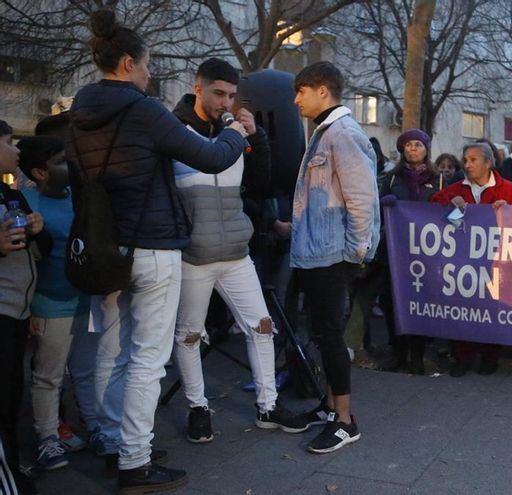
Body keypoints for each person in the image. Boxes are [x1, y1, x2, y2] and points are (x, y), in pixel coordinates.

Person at [67, 10, 247, 492]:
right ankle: (135, 462)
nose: (150, 74)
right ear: (128, 63)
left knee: (112, 351)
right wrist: (237, 132)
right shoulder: (144, 111)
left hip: (105, 246)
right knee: (148, 359)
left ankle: (113, 441)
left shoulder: (79, 113)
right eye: (147, 65)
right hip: (152, 246)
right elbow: (211, 157)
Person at [168, 58, 298, 444]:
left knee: (262, 326)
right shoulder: (174, 131)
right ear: (198, 88)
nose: (225, 102)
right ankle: (198, 408)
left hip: (236, 253)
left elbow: (260, 186)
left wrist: (256, 139)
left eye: (231, 95)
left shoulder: (233, 131)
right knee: (190, 334)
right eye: (218, 94)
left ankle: (268, 405)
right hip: (194, 256)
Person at [287, 61, 380, 454]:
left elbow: (362, 199)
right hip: (316, 254)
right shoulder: (325, 132)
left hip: (332, 257)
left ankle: (344, 421)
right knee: (322, 334)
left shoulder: (342, 134)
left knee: (330, 336)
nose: (296, 100)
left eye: (301, 91)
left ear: (322, 90)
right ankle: (328, 407)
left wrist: (355, 253)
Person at [15, 137, 92, 471]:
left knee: (88, 373)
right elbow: (24, 261)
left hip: (88, 299)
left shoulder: (80, 196)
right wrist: (30, 308)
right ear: (39, 172)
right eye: (61, 161)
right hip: (51, 304)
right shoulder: (28, 203)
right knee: (48, 377)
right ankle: (47, 439)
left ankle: (98, 428)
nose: (70, 165)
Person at [432, 142, 512, 376]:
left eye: (473, 159)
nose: (468, 164)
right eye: (465, 160)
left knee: (491, 309)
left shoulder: (508, 191)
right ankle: (462, 358)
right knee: (463, 309)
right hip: (463, 262)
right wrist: (452, 209)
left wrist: (509, 213)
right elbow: (432, 219)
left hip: (496, 263)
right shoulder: (455, 191)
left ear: (488, 163)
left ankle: (490, 357)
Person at [0, 120, 47, 495]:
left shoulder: (10, 193)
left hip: (18, 311)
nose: (16, 150)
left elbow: (36, 251)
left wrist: (36, 231)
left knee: (12, 396)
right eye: (8, 142)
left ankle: (13, 469)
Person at [377, 129, 441, 374]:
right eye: (408, 145)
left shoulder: (438, 179)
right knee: (392, 302)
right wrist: (384, 204)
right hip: (394, 251)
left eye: (418, 144)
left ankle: (417, 355)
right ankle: (398, 353)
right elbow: (375, 208)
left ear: (426, 149)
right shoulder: (392, 178)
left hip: (426, 254)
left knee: (422, 302)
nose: (413, 149)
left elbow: (449, 213)